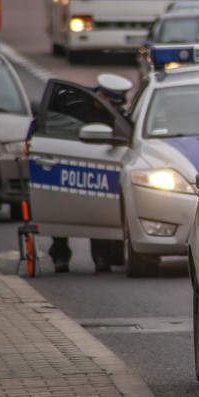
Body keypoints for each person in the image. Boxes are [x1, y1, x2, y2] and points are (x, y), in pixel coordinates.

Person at [49, 73, 133, 273]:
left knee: (98, 211)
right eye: (113, 103)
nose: (116, 109)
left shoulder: (115, 112)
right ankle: (60, 255)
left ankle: (101, 257)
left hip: (96, 165)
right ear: (102, 96)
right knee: (61, 211)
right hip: (66, 161)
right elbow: (44, 121)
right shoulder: (72, 102)